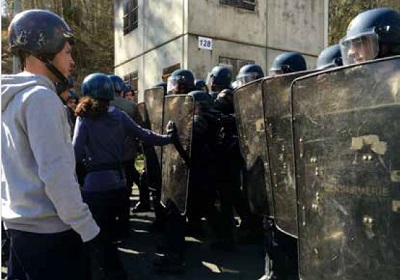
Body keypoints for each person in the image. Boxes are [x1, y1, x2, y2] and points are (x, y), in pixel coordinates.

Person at [1, 9, 101, 280]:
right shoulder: (41, 98)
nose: (71, 60)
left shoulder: (12, 99)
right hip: (50, 234)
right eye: (67, 52)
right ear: (44, 47)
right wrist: (88, 229)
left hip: (20, 228)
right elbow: (57, 175)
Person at [73, 72, 177, 279]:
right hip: (119, 184)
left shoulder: (83, 117)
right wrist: (169, 138)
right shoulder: (119, 115)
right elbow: (144, 135)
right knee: (111, 234)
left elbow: (75, 152)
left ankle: (108, 272)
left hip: (94, 186)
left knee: (95, 235)